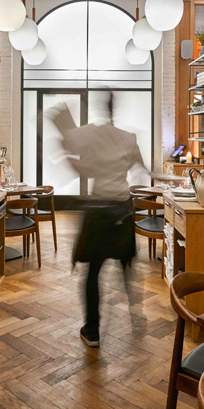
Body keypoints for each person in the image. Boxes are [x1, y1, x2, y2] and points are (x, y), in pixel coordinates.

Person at [48, 91, 145, 348]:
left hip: (98, 211)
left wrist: (71, 158)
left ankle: (92, 329)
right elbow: (140, 170)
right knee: (126, 265)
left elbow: (77, 163)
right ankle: (136, 312)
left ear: (99, 107)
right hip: (122, 212)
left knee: (92, 273)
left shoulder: (88, 134)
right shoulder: (128, 137)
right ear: (116, 107)